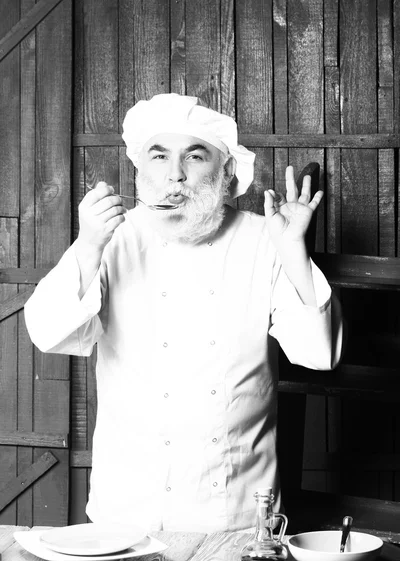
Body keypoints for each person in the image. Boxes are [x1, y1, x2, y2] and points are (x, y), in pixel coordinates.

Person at [25, 93, 343, 532]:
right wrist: (87, 244)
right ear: (141, 170)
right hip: (127, 513)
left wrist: (293, 253)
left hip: (236, 515)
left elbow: (320, 354)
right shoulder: (113, 238)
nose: (175, 175)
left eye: (194, 156)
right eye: (159, 157)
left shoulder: (264, 240)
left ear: (226, 171)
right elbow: (47, 332)